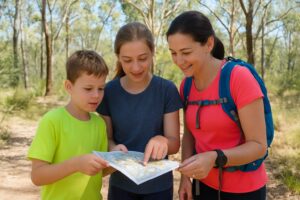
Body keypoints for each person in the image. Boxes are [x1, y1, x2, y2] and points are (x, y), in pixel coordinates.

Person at [166, 11, 268, 200]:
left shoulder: (238, 78)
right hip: (202, 186)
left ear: (209, 44)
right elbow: (189, 135)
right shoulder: (186, 85)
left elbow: (259, 145)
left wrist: (214, 157)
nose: (179, 61)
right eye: (173, 53)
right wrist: (185, 178)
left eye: (186, 52)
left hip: (244, 190)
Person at [97, 22, 182, 200]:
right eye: (127, 60)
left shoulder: (166, 90)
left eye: (143, 58)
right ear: (118, 57)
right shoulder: (108, 92)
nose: (135, 67)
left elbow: (174, 144)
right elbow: (108, 138)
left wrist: (163, 140)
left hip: (159, 188)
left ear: (152, 53)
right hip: (120, 186)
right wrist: (113, 148)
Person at [28, 50, 111, 200]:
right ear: (68, 86)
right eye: (88, 88)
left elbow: (99, 171)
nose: (96, 95)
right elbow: (37, 176)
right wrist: (76, 164)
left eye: (101, 88)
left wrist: (116, 160)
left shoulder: (99, 124)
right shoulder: (52, 121)